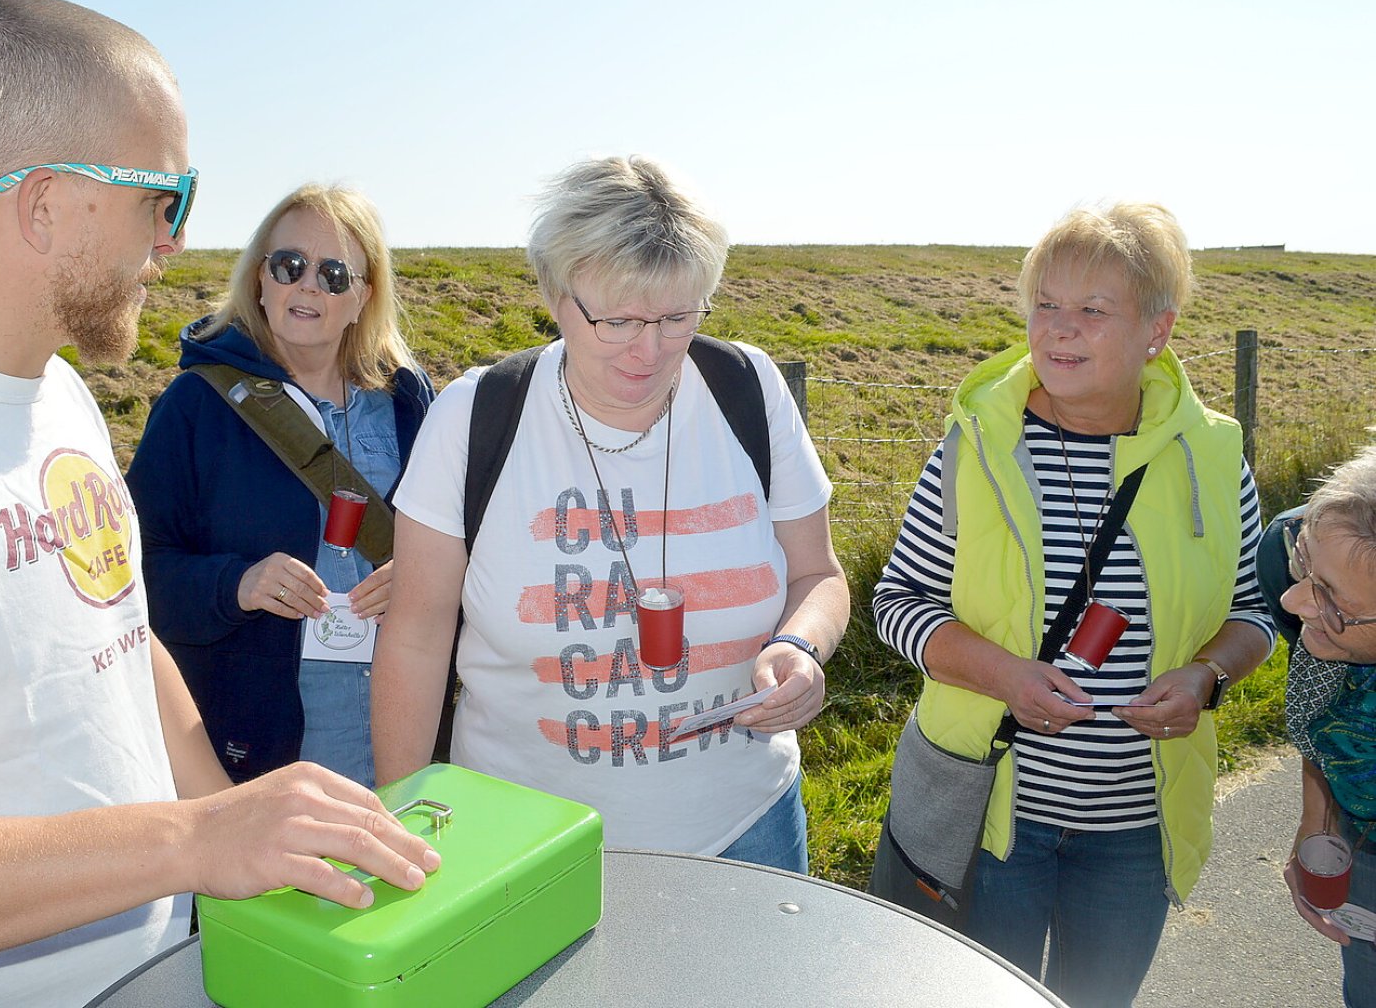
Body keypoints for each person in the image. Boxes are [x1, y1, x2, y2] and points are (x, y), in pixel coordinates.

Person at [0, 0, 437, 1008]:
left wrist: (241, 832)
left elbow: (121, 636)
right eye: (164, 196)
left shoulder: (58, 394)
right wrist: (193, 840)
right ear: (48, 205)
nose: (176, 239)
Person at [370, 155, 849, 873]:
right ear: (556, 295)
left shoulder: (749, 391)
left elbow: (818, 575)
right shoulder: (476, 416)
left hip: (745, 827)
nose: (648, 349)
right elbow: (416, 629)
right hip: (521, 842)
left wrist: (802, 648)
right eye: (617, 318)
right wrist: (401, 817)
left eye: (676, 317)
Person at [870, 202, 1274, 1007]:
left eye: (1092, 311)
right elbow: (897, 602)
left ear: (1155, 332)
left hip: (1134, 828)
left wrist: (1205, 680)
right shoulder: (975, 446)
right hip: (989, 822)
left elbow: (1253, 612)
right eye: (1045, 306)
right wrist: (1001, 677)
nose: (1058, 330)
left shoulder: (1213, 452)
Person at [127, 184, 432, 788]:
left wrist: (425, 583)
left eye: (335, 273)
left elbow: (467, 549)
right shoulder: (197, 405)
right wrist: (237, 584)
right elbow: (132, 579)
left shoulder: (408, 404)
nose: (308, 285)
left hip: (398, 733)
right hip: (255, 750)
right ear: (260, 280)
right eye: (289, 265)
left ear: (364, 296)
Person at [1272, 443, 1376, 1008]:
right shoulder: (1324, 624)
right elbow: (1323, 726)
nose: (1292, 600)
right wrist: (1318, 822)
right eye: (1303, 562)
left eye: (1331, 597)